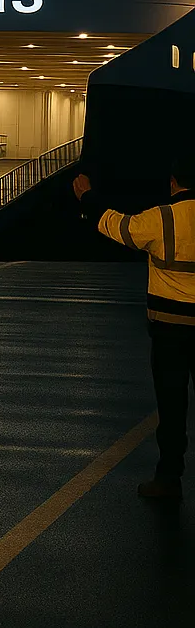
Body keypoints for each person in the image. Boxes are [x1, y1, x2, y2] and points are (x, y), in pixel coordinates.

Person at [73, 156, 195, 500]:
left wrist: (87, 198)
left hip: (170, 331)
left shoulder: (160, 219)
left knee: (172, 411)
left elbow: (116, 226)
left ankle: (169, 481)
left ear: (173, 182)